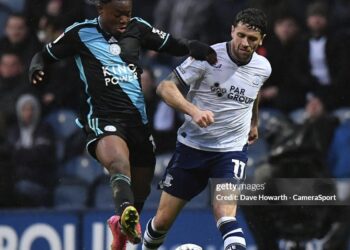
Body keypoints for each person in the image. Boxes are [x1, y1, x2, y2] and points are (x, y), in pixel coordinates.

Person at [28, 0, 216, 249]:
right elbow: (45, 54)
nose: (123, 19)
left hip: (137, 122)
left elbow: (171, 43)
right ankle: (125, 211)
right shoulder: (80, 33)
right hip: (103, 118)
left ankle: (121, 228)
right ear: (100, 10)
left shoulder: (138, 28)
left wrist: (194, 47)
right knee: (119, 164)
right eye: (117, 15)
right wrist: (37, 65)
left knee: (141, 189)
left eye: (127, 14)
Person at [142, 8, 271, 250]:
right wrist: (193, 111)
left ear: (261, 39)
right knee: (161, 222)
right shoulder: (208, 57)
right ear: (232, 30)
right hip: (193, 148)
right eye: (241, 35)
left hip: (230, 151)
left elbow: (254, 91)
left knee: (225, 215)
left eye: (252, 39)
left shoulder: (263, 67)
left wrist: (254, 122)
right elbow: (165, 88)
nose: (244, 43)